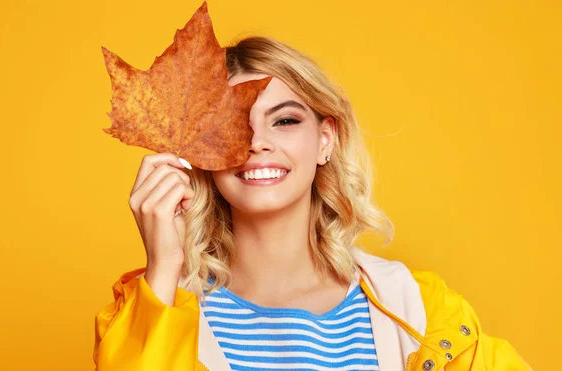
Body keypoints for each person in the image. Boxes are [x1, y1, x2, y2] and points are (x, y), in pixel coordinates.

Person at [93, 36, 532, 371]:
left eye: (284, 120)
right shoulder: (152, 308)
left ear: (325, 140)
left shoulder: (418, 307)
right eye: (229, 127)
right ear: (199, 152)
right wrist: (164, 271)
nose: (258, 143)